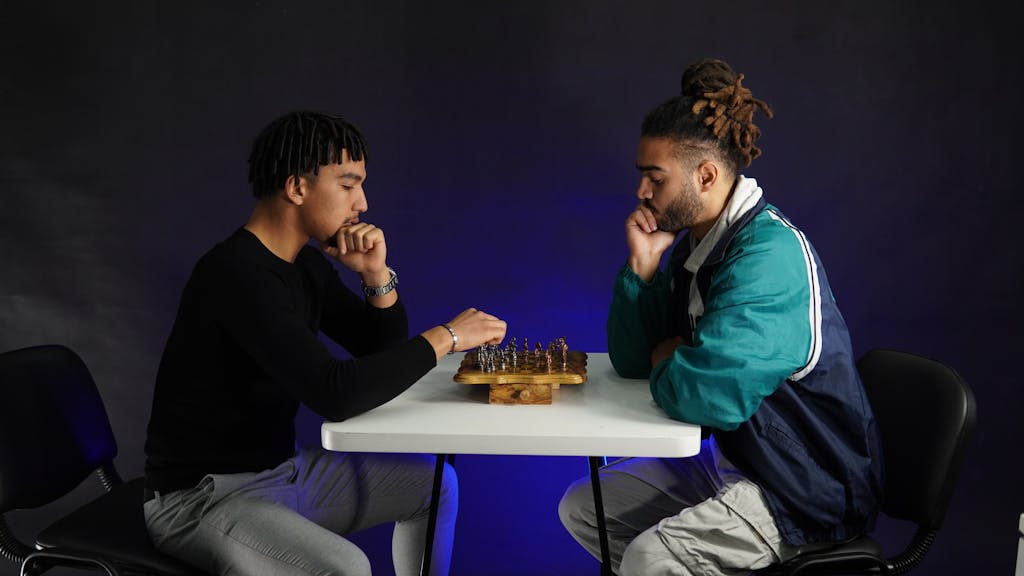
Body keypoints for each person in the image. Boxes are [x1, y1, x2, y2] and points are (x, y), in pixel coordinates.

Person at [143, 110, 506, 576]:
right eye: (349, 185)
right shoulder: (235, 274)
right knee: (346, 567)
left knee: (436, 487)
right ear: (297, 188)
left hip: (285, 472)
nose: (363, 203)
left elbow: (380, 356)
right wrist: (448, 336)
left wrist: (375, 275)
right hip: (200, 500)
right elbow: (336, 393)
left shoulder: (305, 266)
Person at [558, 59, 883, 575]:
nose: (641, 192)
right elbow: (636, 362)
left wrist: (673, 358)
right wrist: (644, 269)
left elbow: (711, 395)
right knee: (585, 508)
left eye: (654, 178)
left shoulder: (768, 257)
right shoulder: (702, 246)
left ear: (705, 175)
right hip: (740, 459)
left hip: (802, 487)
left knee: (649, 557)